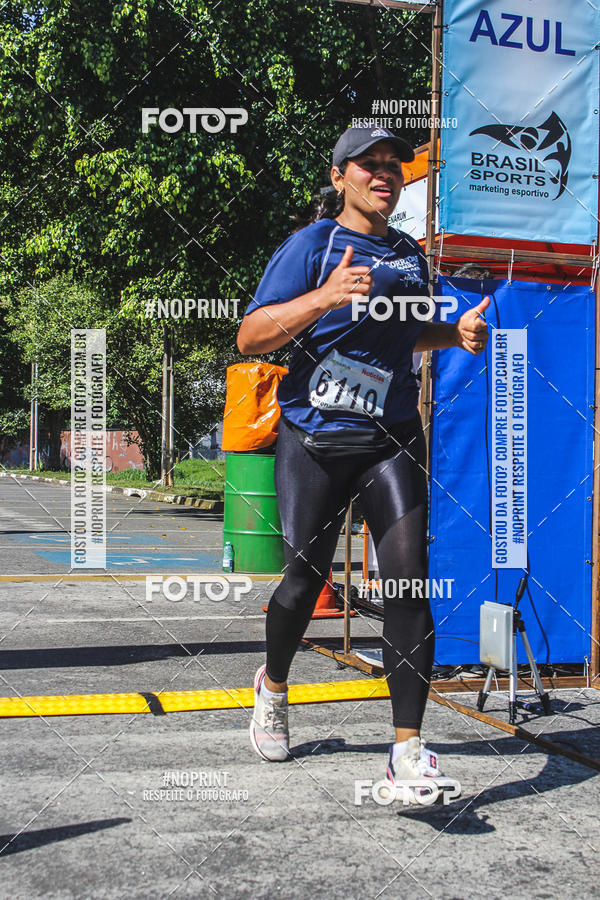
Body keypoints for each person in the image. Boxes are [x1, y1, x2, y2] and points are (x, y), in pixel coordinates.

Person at [237, 125, 489, 801]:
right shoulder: (311, 246)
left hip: (393, 437)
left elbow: (406, 331)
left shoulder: (410, 255)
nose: (386, 174)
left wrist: (454, 334)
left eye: (393, 166)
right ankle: (274, 685)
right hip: (315, 440)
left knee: (408, 581)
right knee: (302, 581)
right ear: (341, 174)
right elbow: (250, 334)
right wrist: (322, 296)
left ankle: (408, 749)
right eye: (370, 165)